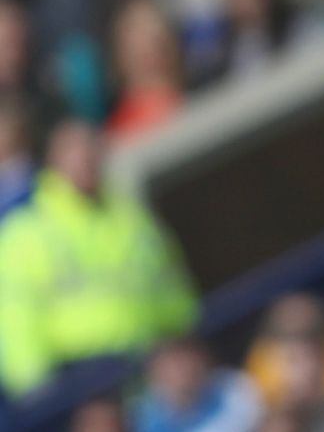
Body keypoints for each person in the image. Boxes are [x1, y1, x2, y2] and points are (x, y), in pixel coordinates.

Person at [0, 118, 198, 399]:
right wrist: (39, 394)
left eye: (91, 151)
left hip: (152, 368)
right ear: (52, 161)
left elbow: (173, 290)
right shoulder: (25, 233)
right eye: (73, 152)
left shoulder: (134, 219)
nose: (84, 161)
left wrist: (187, 344)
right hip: (77, 381)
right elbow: (16, 321)